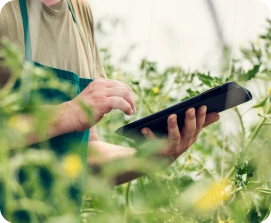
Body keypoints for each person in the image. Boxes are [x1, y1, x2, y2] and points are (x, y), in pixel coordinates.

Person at [0, 0, 219, 203]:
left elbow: (89, 156)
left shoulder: (79, 12)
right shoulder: (6, 12)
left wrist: (152, 157)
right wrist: (72, 113)